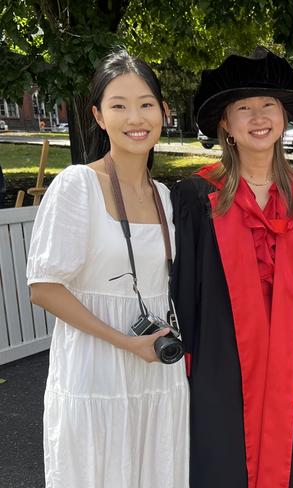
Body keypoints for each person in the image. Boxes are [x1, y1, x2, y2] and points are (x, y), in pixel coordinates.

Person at [171, 46, 293, 488]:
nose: (258, 117)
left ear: (284, 117)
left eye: (268, 105)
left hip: (291, 367)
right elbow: (185, 294)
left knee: (289, 467)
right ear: (226, 125)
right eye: (244, 108)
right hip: (220, 369)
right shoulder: (198, 199)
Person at [26, 50, 189, 488]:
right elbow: (43, 288)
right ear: (98, 115)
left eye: (146, 104)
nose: (135, 117)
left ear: (163, 111)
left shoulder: (165, 196)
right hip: (95, 371)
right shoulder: (77, 185)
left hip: (156, 372)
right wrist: (123, 342)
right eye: (119, 105)